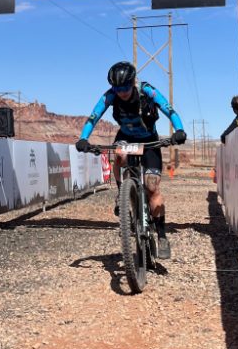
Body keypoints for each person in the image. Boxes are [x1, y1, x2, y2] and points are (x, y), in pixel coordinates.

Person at [76, 62, 187, 260]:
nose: (122, 92)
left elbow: (169, 110)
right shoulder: (109, 96)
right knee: (120, 155)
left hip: (150, 139)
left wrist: (178, 130)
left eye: (126, 87)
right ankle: (123, 193)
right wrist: (84, 138)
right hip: (126, 137)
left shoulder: (147, 91)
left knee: (152, 188)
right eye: (117, 88)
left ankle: (162, 236)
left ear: (133, 82)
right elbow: (93, 117)